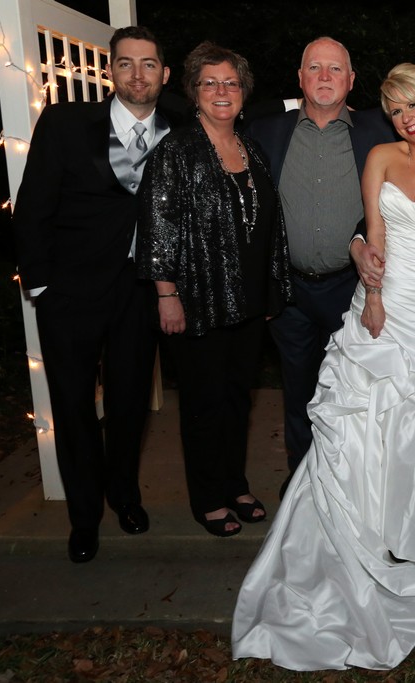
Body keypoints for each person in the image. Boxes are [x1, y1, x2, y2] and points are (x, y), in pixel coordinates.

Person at [232, 62, 415, 671]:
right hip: (385, 302)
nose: (405, 117)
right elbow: (373, 235)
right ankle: (361, 525)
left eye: (413, 104)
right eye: (395, 108)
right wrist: (371, 297)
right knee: (360, 416)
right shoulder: (380, 158)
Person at [12, 26, 175, 563]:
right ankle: (83, 518)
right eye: (126, 63)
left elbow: (242, 109)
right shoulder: (65, 123)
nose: (137, 74)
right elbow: (33, 205)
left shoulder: (180, 129)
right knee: (73, 405)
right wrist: (41, 285)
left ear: (164, 73)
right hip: (70, 293)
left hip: (141, 292)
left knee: (130, 402)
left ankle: (124, 496)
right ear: (110, 71)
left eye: (148, 64)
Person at [137, 41, 292, 537]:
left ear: (243, 92)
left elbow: (269, 226)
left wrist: (271, 289)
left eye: (231, 82)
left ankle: (234, 484)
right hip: (196, 300)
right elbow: (158, 227)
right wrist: (166, 294)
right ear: (194, 92)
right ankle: (208, 498)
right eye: (210, 83)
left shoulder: (252, 147)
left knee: (237, 400)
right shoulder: (176, 150)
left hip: (247, 302)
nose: (221, 91)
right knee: (204, 403)